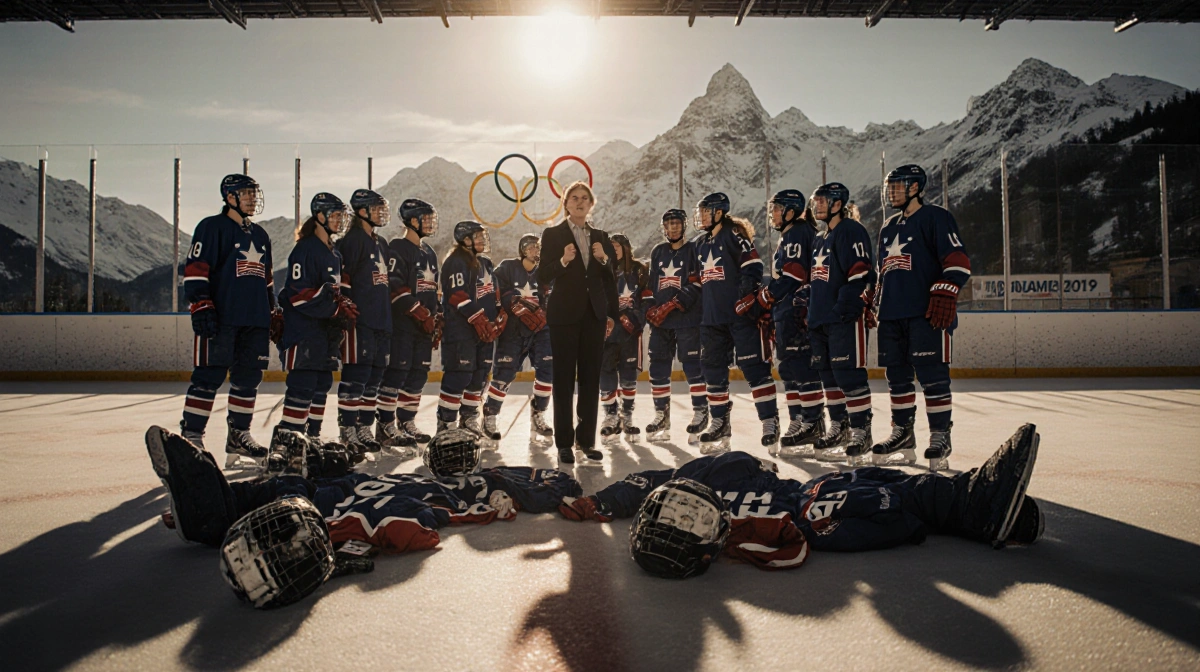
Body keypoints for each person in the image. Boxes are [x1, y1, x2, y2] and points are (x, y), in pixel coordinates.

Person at [145, 425, 581, 606]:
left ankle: (205, 509)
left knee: (295, 503)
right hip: (362, 492)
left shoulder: (485, 485)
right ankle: (205, 499)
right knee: (292, 486)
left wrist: (522, 497)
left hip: (373, 504)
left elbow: (558, 483)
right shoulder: (458, 485)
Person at [558, 424, 1044, 579]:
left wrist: (598, 501)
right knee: (884, 498)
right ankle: (974, 507)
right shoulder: (716, 498)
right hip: (805, 504)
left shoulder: (698, 475)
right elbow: (644, 485)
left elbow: (643, 484)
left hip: (803, 491)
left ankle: (976, 500)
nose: (682, 509)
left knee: (875, 475)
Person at [872, 165, 972, 471]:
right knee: (897, 378)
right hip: (891, 315)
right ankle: (903, 435)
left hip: (924, 313)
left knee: (932, 376)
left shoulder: (936, 217)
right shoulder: (888, 227)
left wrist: (946, 287)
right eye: (890, 186)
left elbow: (958, 260)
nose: (892, 191)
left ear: (916, 187)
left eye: (899, 186)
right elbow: (882, 273)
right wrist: (874, 302)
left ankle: (940, 436)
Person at [180, 174, 279, 468]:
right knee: (208, 377)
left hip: (254, 320)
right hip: (222, 318)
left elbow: (267, 280)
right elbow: (196, 270)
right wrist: (201, 304)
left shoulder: (260, 235)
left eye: (253, 193)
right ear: (229, 196)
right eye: (245, 193)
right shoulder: (211, 227)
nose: (251, 198)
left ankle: (239, 436)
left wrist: (270, 312)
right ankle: (191, 438)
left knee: (248, 380)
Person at [270, 193, 360, 459]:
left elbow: (330, 291)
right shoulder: (306, 248)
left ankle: (311, 440)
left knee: (321, 383)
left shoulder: (334, 253)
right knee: (303, 384)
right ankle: (287, 445)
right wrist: (334, 308)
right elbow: (298, 294)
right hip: (303, 331)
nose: (339, 221)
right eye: (334, 215)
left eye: (341, 216)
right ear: (319, 217)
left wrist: (340, 308)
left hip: (323, 333)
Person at [536, 181, 619, 466]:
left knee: (589, 380)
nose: (580, 202)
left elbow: (611, 277)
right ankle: (563, 444)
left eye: (585, 198)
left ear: (591, 203)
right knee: (562, 381)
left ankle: (586, 441)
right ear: (566, 203)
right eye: (575, 198)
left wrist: (604, 258)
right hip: (563, 316)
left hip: (593, 316)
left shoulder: (601, 236)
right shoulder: (552, 234)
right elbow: (543, 275)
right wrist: (562, 260)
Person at [694, 192, 780, 453]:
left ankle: (769, 421)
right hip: (712, 320)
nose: (702, 216)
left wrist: (746, 298)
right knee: (713, 372)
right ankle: (719, 422)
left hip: (738, 317)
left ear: (720, 212)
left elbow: (753, 265)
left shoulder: (734, 234)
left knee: (754, 368)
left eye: (707, 211)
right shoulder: (700, 243)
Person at [807, 182, 877, 466]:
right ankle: (839, 427)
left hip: (843, 319)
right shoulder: (821, 237)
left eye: (823, 201)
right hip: (820, 320)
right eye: (816, 201)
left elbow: (860, 274)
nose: (817, 206)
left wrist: (843, 310)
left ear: (838, 204)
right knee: (829, 377)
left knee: (849, 376)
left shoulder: (851, 231)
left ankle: (861, 431)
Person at [754, 190, 826, 456]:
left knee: (801, 368)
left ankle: (811, 421)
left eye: (777, 209)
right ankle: (799, 419)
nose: (772, 214)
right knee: (789, 370)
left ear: (791, 211)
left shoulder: (796, 233)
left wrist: (766, 296)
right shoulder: (792, 234)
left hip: (797, 312)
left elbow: (794, 276)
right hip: (786, 312)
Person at [379, 197, 441, 452]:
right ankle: (385, 425)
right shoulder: (397, 247)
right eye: (425, 218)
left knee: (418, 375)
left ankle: (407, 422)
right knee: (396, 373)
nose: (429, 223)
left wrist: (435, 318)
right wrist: (419, 313)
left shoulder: (430, 253)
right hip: (404, 325)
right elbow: (395, 286)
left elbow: (433, 290)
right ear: (412, 220)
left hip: (423, 328)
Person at [335, 189, 393, 458]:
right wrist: (345, 313)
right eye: (376, 208)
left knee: (374, 378)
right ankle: (347, 429)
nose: (381, 213)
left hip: (381, 321)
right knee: (356, 376)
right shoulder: (353, 241)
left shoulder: (381, 242)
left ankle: (364, 428)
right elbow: (343, 281)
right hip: (360, 322)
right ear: (361, 211)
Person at [482, 234, 555, 447]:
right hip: (513, 330)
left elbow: (554, 296)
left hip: (540, 330)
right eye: (531, 247)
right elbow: (494, 290)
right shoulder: (507, 267)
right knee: (504, 373)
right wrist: (510, 300)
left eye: (538, 248)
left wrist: (545, 312)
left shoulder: (545, 272)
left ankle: (538, 414)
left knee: (547, 370)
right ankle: (490, 416)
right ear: (522, 249)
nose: (536, 251)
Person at [642, 209, 707, 445]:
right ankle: (661, 415)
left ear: (684, 226)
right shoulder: (658, 251)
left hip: (687, 320)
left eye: (677, 224)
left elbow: (697, 283)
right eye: (669, 224)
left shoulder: (694, 250)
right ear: (664, 227)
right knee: (658, 368)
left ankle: (701, 411)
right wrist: (650, 309)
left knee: (693, 367)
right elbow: (650, 286)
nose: (673, 228)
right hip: (662, 324)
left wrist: (673, 305)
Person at [438, 221, 504, 436]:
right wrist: (479, 319)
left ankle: (468, 418)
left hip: (483, 332)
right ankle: (446, 423)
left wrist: (499, 314)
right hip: (461, 331)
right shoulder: (455, 262)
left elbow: (492, 293)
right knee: (459, 376)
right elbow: (457, 295)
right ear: (465, 240)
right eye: (477, 237)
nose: (482, 240)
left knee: (479, 377)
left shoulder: (484, 262)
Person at [598, 233, 648, 443]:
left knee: (628, 376)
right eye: (611, 246)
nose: (614, 249)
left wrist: (636, 320)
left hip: (630, 333)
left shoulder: (639, 269)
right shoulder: (602, 270)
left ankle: (626, 415)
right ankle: (610, 416)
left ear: (626, 248)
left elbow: (647, 299)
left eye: (617, 246)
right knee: (606, 373)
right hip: (608, 333)